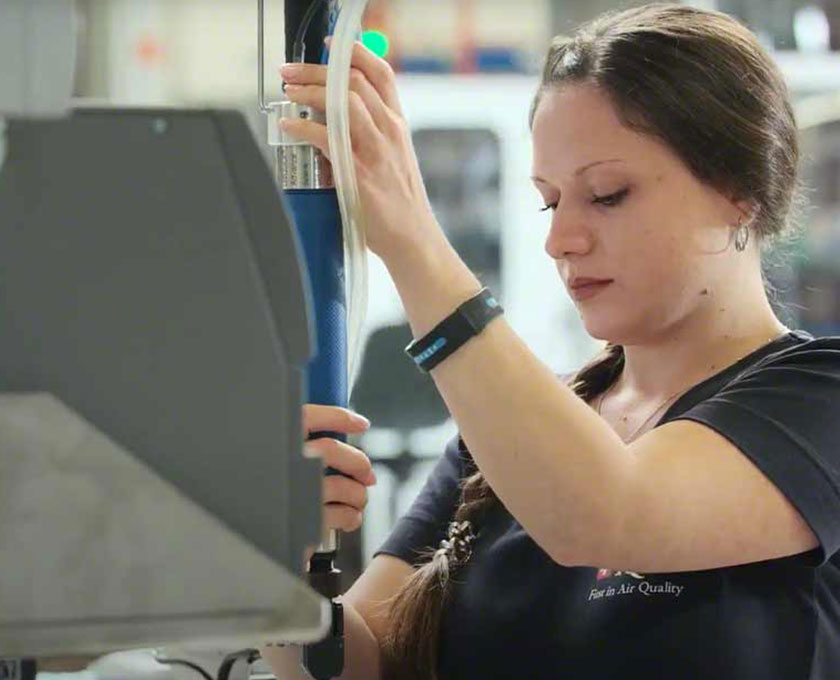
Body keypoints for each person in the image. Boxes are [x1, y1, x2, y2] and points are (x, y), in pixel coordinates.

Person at [263, 3, 840, 679]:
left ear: (740, 191)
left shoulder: (818, 401)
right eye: (549, 200)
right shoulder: (499, 445)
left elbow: (608, 514)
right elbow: (357, 667)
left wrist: (412, 240)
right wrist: (288, 561)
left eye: (607, 194)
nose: (560, 239)